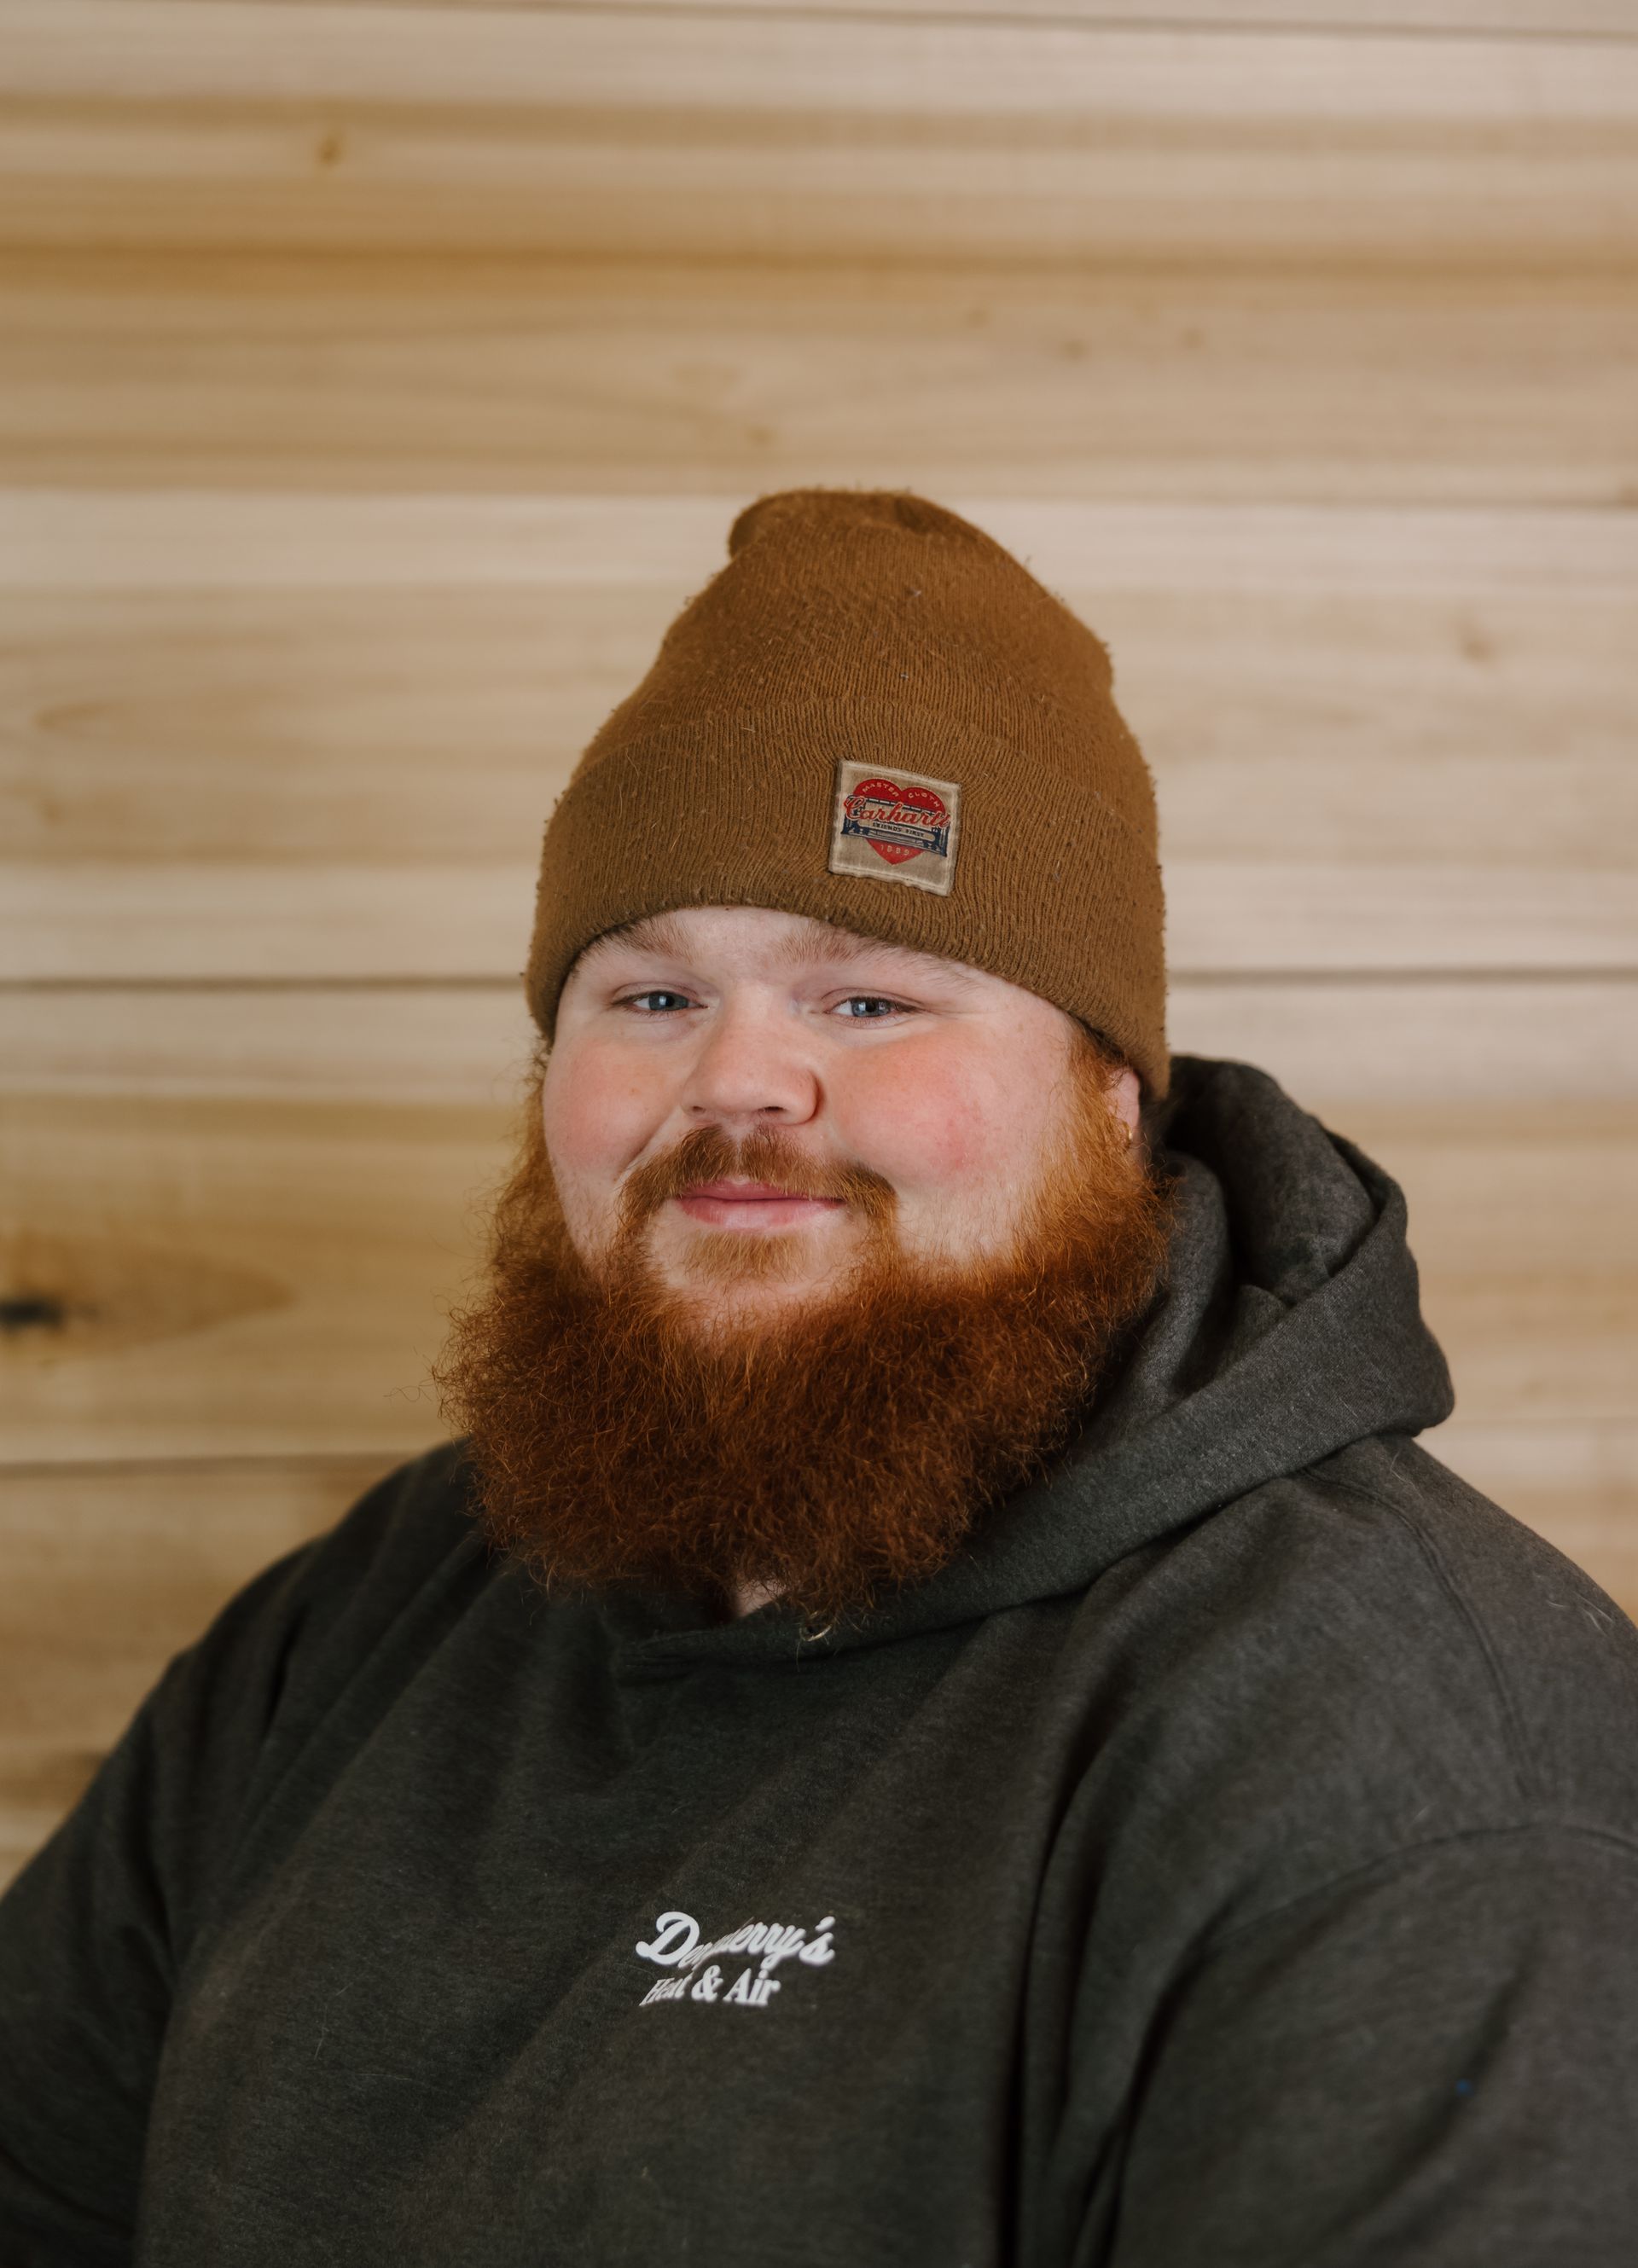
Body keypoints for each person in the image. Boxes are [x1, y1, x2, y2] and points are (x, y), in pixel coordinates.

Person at [2, 488, 1635, 2266]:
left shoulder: (1407, 1741)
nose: (738, 1082)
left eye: (867, 1000)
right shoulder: (376, 1612)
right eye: (648, 997)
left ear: (1110, 1099)